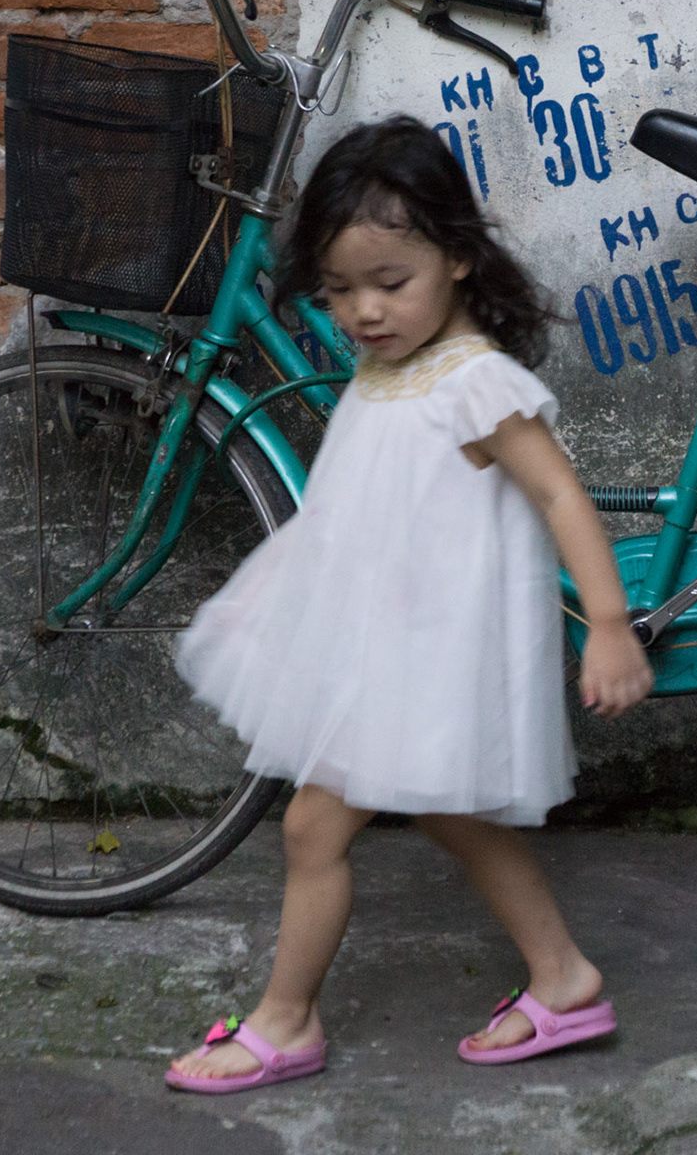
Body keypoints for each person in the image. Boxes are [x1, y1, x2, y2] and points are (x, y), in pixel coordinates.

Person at [165, 116, 654, 1094]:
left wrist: (608, 624)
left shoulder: (474, 382)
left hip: (424, 654)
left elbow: (561, 495)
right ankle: (563, 977)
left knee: (313, 828)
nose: (364, 311)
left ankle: (287, 1020)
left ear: (458, 256)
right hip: (374, 641)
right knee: (452, 817)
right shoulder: (389, 365)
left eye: (390, 283)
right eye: (339, 290)